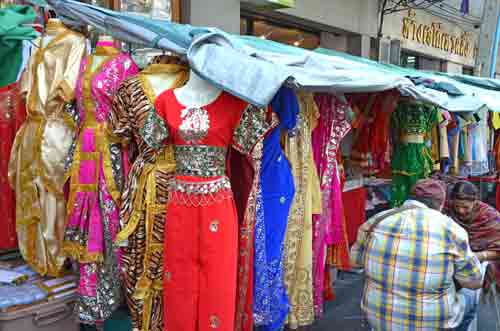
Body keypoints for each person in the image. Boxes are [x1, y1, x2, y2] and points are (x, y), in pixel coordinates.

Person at [350, 179, 482, 331]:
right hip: (432, 324)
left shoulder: (376, 221)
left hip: (378, 321)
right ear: (440, 204)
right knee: (471, 294)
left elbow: (355, 261)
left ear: (410, 199)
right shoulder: (452, 230)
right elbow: (474, 281)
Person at [447, 181, 500, 290]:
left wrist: (479, 256)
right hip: (452, 267)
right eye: (457, 206)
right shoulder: (447, 211)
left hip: (483, 269)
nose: (460, 211)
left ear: (475, 202)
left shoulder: (490, 216)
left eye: (465, 207)